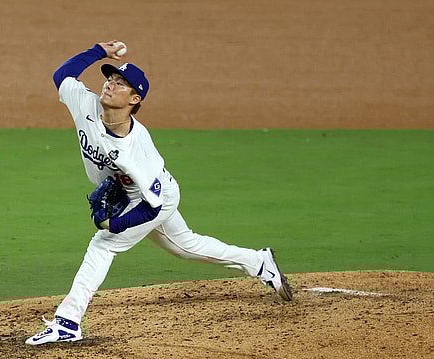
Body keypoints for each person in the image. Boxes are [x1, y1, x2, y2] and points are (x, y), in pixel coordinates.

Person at [25, 40, 293, 345]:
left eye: (120, 83)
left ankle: (68, 322)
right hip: (135, 195)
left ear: (134, 98)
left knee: (103, 245)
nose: (110, 85)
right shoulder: (85, 104)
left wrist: (115, 225)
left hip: (155, 199)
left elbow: (153, 208)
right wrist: (99, 50)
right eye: (110, 79)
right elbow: (62, 75)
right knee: (185, 245)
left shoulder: (136, 152)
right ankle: (259, 262)